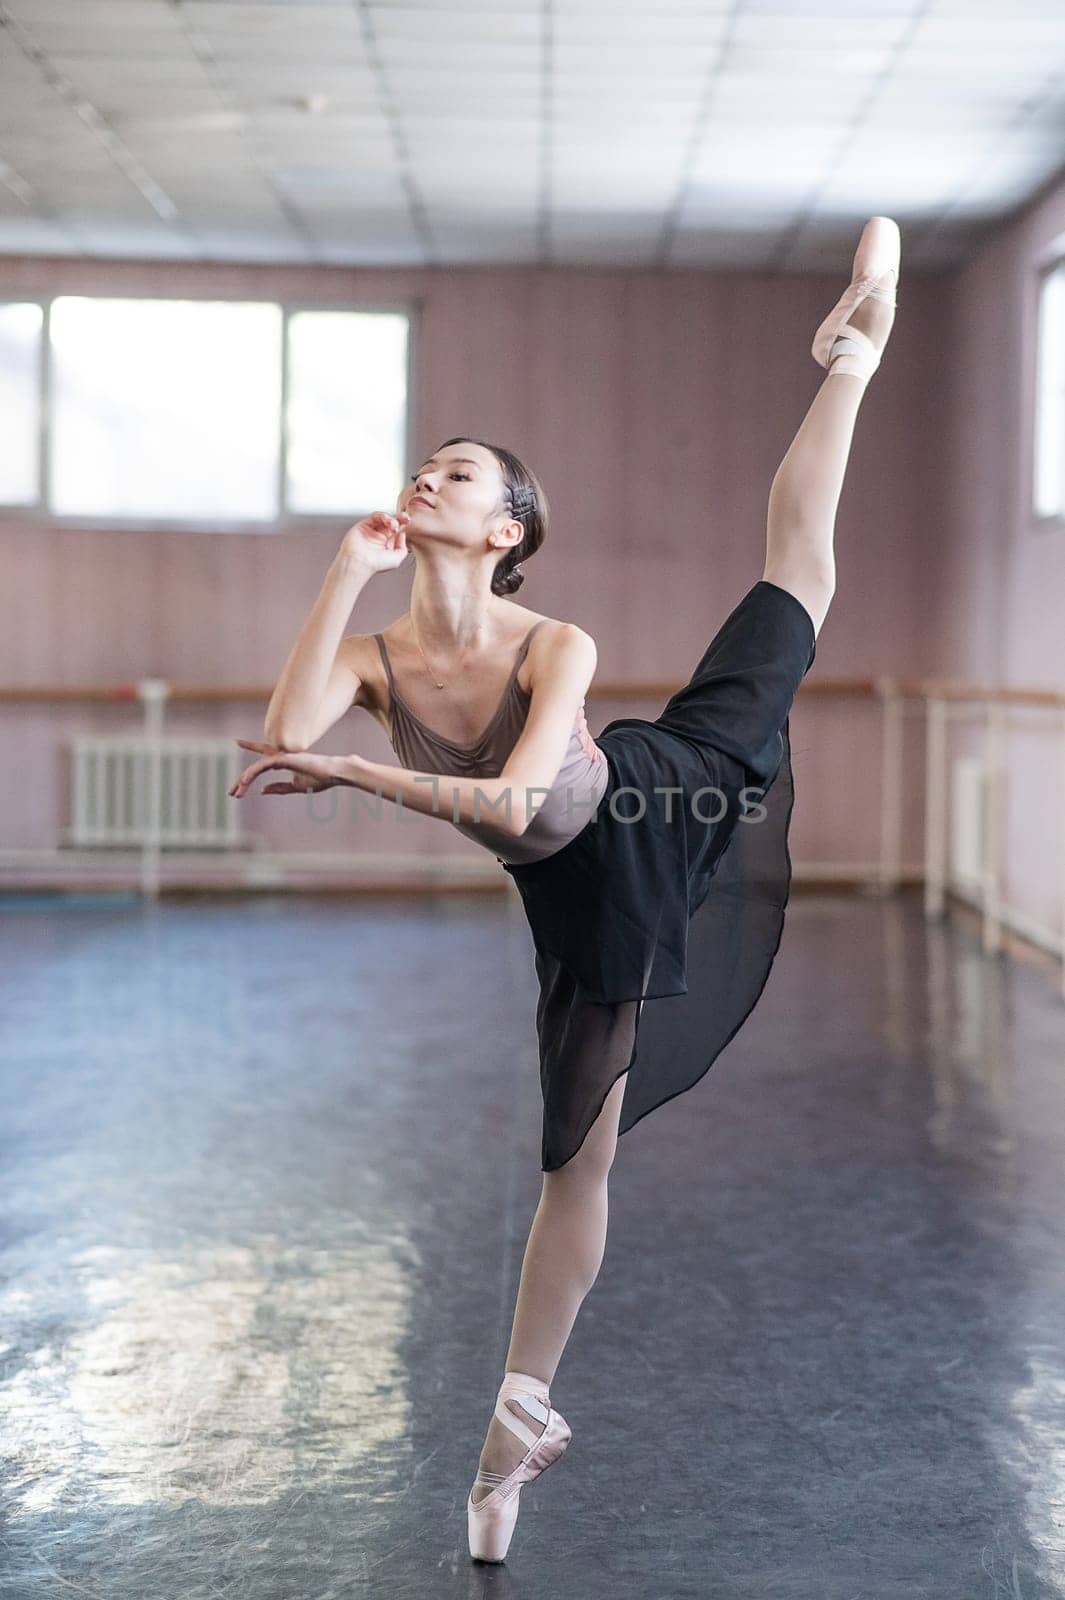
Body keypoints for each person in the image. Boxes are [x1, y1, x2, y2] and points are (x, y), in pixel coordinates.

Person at [230, 214, 902, 1564]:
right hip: (577, 897)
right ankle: (514, 1428)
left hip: (664, 797)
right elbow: (288, 722)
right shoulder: (375, 653)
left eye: (457, 474)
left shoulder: (558, 640)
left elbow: (522, 802)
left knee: (796, 576)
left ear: (509, 524)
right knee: (572, 1157)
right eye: (421, 469)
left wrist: (360, 782)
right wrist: (343, 567)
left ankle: (847, 360)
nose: (426, 480)